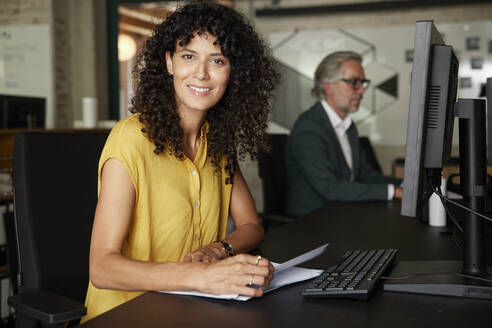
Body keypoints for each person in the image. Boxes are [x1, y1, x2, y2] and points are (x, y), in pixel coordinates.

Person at [83, 2, 279, 322]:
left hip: (191, 310)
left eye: (217, 60)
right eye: (188, 56)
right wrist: (202, 278)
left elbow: (250, 226)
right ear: (169, 62)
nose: (201, 73)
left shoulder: (219, 142)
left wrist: (219, 250)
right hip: (125, 314)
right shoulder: (131, 138)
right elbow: (102, 269)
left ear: (233, 72)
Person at [285, 51, 402, 217]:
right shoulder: (308, 128)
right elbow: (330, 187)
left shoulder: (349, 126)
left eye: (362, 83)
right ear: (328, 87)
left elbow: (364, 175)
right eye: (354, 82)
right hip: (313, 223)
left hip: (343, 214)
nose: (361, 90)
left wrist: (405, 185)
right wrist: (393, 192)